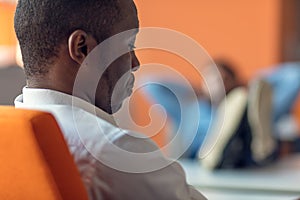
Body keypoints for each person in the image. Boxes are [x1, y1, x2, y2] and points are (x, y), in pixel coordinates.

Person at [14, 0, 206, 199]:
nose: (135, 62)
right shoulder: (117, 152)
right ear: (82, 48)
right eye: (129, 45)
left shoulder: (11, 133)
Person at [142, 61, 277, 168]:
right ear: (203, 84)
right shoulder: (189, 109)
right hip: (199, 162)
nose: (218, 84)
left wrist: (248, 84)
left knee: (245, 119)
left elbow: (294, 76)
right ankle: (213, 153)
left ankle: (259, 146)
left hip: (241, 160)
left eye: (224, 79)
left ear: (234, 83)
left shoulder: (247, 104)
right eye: (211, 79)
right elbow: (150, 83)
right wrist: (193, 89)